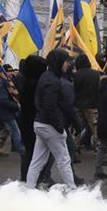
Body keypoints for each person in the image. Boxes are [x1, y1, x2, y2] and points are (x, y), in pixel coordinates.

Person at [25, 49, 76, 189]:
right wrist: (59, 127)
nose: (68, 65)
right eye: (66, 61)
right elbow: (50, 106)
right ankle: (73, 190)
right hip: (50, 125)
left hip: (40, 123)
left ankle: (29, 189)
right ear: (59, 62)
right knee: (64, 159)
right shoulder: (53, 81)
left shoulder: (46, 76)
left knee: (37, 161)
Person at [17, 54, 48, 182]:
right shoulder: (33, 85)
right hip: (33, 122)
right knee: (33, 154)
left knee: (30, 153)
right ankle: (30, 180)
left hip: (27, 121)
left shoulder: (26, 82)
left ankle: (28, 179)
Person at [73, 54, 100, 152]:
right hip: (92, 104)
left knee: (78, 127)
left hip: (77, 104)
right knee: (95, 128)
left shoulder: (75, 75)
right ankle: (99, 149)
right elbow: (99, 90)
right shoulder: (96, 74)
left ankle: (74, 147)